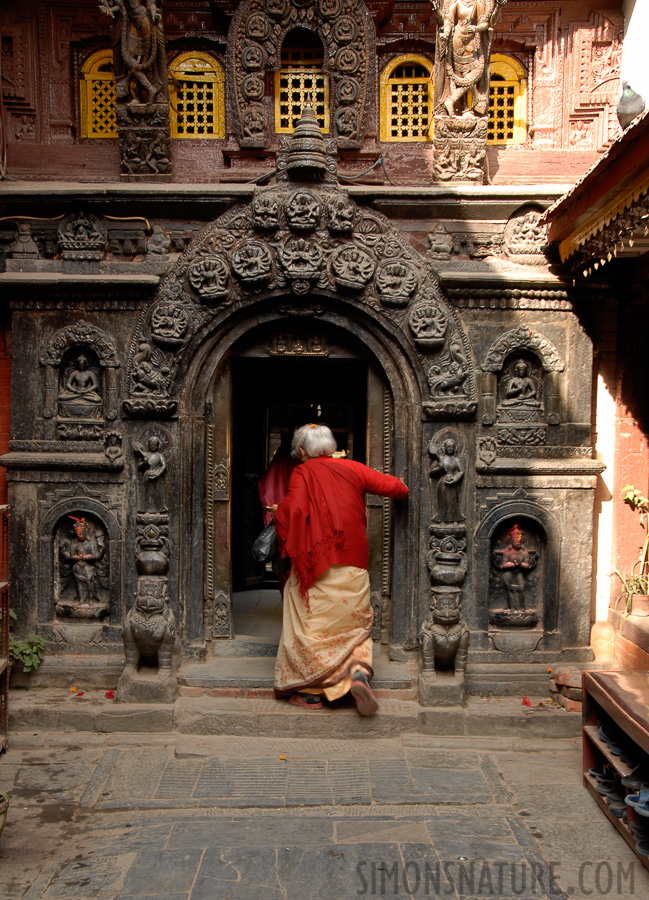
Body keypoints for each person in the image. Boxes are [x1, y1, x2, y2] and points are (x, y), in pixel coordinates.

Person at [270, 423, 409, 716]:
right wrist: (403, 484)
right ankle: (357, 672)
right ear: (331, 447)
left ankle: (311, 693)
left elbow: (294, 510)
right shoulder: (354, 469)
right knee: (354, 625)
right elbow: (396, 488)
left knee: (311, 624)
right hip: (353, 563)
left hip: (317, 565)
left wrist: (277, 512)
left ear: (303, 450)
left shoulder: (302, 472)